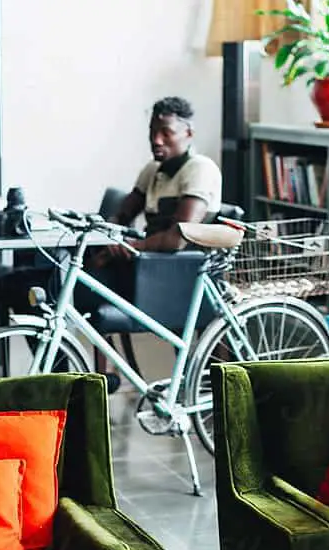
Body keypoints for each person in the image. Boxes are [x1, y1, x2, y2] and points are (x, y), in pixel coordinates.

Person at [84, 96, 223, 390]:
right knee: (86, 268)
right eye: (152, 133)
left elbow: (178, 238)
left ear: (188, 133)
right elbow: (123, 214)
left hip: (179, 273)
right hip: (151, 265)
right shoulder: (153, 170)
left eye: (166, 133)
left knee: (93, 275)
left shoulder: (200, 169)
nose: (156, 141)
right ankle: (102, 373)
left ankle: (103, 374)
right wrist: (110, 233)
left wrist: (132, 248)